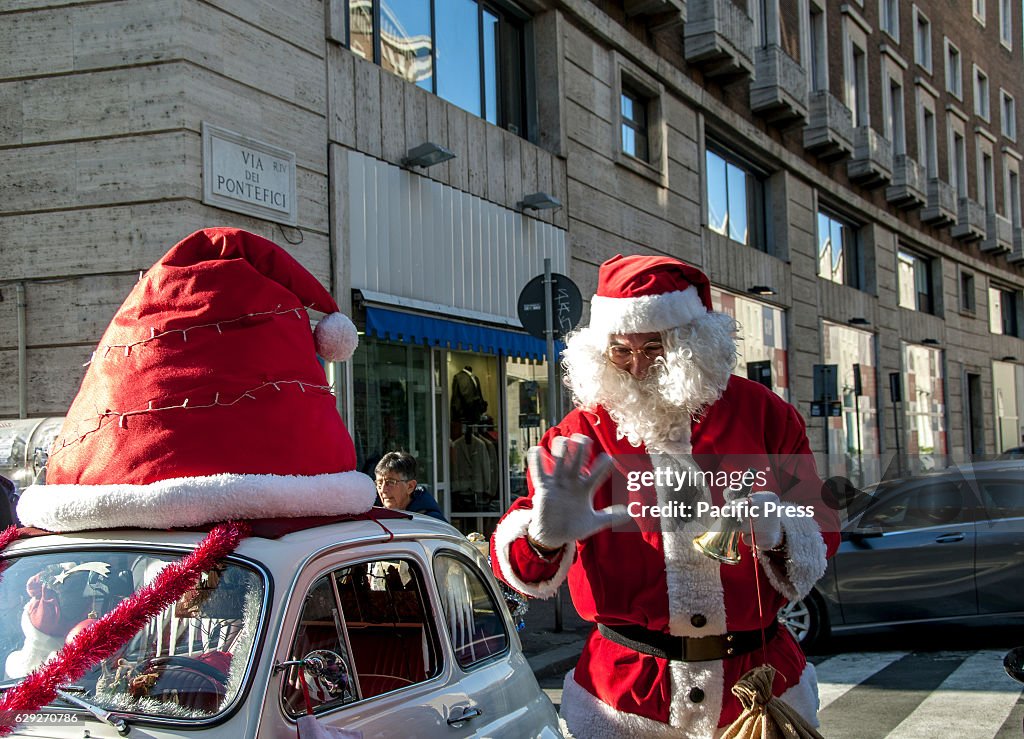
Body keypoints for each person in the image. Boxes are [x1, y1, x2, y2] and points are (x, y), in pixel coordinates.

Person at [491, 254, 840, 738]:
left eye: (653, 347)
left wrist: (781, 531)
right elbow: (525, 570)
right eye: (620, 351)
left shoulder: (764, 415)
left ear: (691, 342)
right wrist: (543, 540)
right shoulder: (578, 435)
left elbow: (822, 533)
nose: (637, 366)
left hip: (759, 691)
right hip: (626, 699)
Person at [374, 451, 446, 521]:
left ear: (410, 486)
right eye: (379, 483)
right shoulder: (375, 518)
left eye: (390, 482)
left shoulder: (432, 522)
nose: (383, 490)